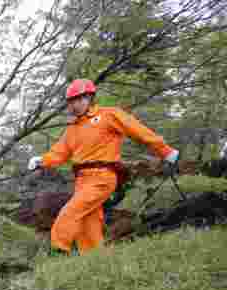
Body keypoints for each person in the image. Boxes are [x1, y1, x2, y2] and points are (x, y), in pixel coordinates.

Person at [28, 79, 179, 254]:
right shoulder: (73, 129)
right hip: (81, 181)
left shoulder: (109, 115)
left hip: (102, 177)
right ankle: (93, 259)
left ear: (90, 97)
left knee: (70, 212)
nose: (75, 105)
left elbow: (138, 131)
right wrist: (41, 160)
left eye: (80, 99)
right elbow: (59, 153)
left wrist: (166, 151)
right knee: (87, 224)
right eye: (72, 101)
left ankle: (57, 251)